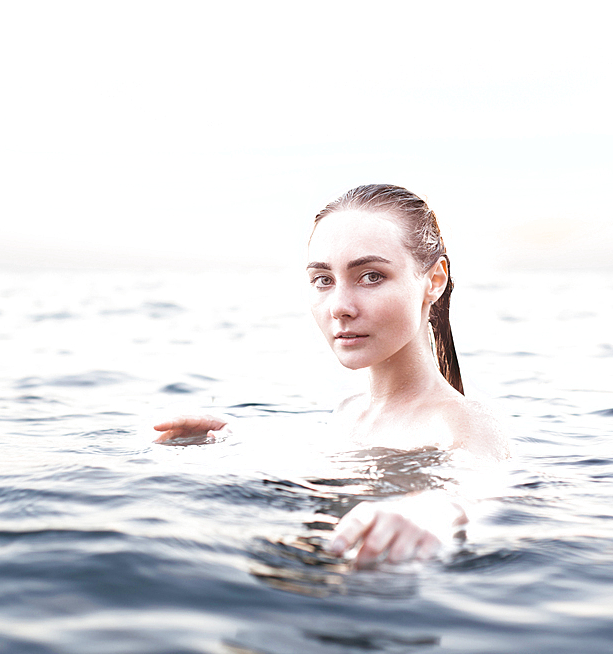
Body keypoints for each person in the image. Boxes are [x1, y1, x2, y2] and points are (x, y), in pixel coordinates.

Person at [154, 184, 510, 567]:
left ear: (434, 281)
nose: (340, 306)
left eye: (371, 276)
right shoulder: (349, 411)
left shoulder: (466, 420)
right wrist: (232, 437)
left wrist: (427, 512)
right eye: (324, 279)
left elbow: (477, 485)